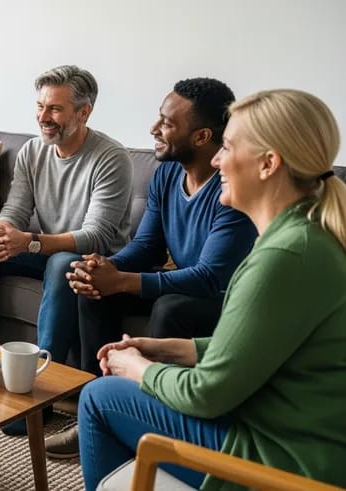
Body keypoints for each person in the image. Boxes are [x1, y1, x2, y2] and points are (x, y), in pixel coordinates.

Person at [78, 89, 346, 490]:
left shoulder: (286, 256)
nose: (218, 158)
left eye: (229, 147)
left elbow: (207, 395)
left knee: (100, 397)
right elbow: (253, 350)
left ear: (268, 164)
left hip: (281, 459)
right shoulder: (306, 236)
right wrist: (166, 348)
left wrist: (136, 367)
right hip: (292, 435)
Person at [49, 79, 258, 458]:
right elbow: (147, 246)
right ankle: (93, 409)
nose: (153, 129)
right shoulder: (166, 173)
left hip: (223, 300)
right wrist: (104, 268)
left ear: (202, 136)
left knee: (170, 306)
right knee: (95, 291)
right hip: (181, 286)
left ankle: (151, 423)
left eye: (166, 123)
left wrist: (123, 281)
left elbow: (210, 276)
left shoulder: (231, 188)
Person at [0, 65, 133, 435]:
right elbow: (16, 211)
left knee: (61, 264)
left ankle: (40, 396)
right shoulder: (33, 151)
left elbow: (97, 235)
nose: (43, 117)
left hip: (95, 261)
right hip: (48, 249)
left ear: (84, 112)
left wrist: (32, 241)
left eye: (54, 109)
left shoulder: (111, 157)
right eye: (40, 106)